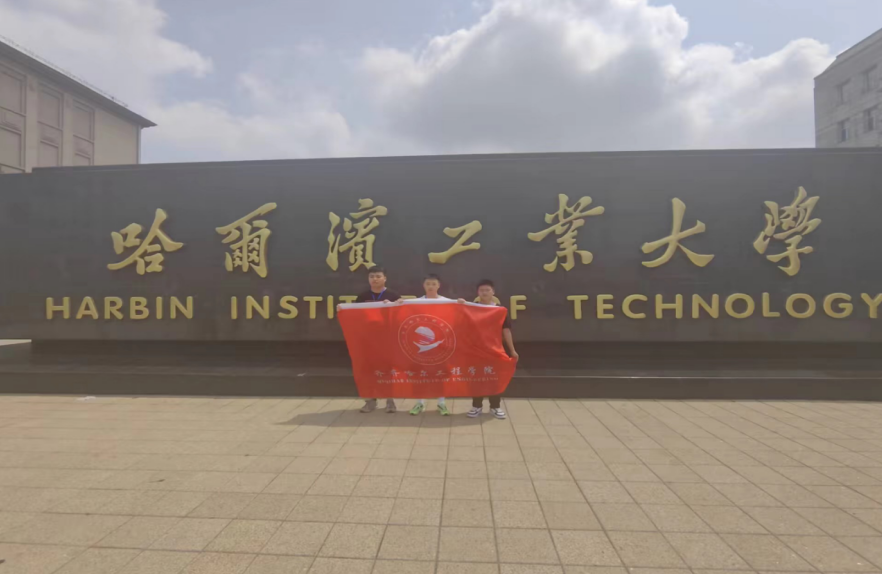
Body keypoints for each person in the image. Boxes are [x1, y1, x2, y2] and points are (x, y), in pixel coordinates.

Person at [467, 279, 518, 419]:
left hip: (495, 350)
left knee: (495, 378)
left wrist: (512, 350)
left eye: (487, 290)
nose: (484, 293)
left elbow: (506, 331)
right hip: (477, 351)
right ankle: (476, 406)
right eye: (481, 290)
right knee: (477, 379)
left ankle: (495, 407)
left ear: (493, 292)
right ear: (477, 292)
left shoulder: (500, 310)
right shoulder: (472, 308)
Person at [353, 266, 400, 414]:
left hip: (387, 340)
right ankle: (370, 401)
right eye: (372, 276)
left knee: (387, 370)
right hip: (368, 340)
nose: (375, 279)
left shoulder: (393, 295)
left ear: (385, 278)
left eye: (378, 276)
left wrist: (394, 305)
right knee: (368, 370)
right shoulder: (362, 296)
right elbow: (355, 316)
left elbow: (401, 315)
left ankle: (390, 401)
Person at [409, 273, 451, 416]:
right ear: (423, 285)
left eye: (433, 284)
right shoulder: (416, 302)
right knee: (421, 374)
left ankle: (441, 403)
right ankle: (419, 403)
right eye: (428, 284)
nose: (431, 287)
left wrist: (462, 303)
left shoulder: (447, 302)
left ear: (439, 285)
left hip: (441, 344)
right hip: (422, 344)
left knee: (440, 374)